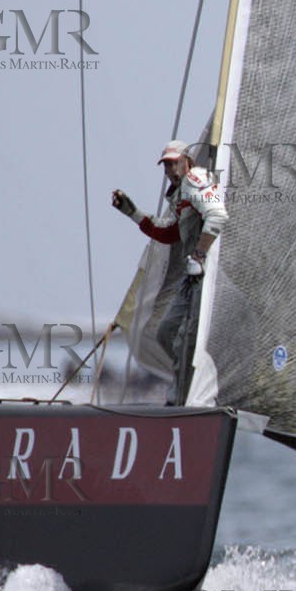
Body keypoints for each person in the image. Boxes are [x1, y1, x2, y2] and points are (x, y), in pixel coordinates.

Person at [111, 140, 228, 406]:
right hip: (194, 276)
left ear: (187, 161)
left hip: (207, 275)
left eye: (174, 163)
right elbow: (169, 232)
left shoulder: (196, 179)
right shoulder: (181, 193)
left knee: (187, 334)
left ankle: (186, 398)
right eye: (166, 165)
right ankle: (183, 391)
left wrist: (199, 255)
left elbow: (218, 215)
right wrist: (133, 212)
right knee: (166, 333)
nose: (171, 170)